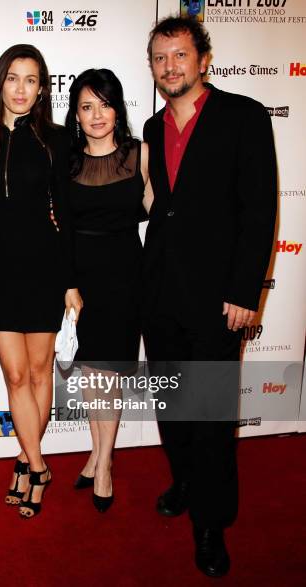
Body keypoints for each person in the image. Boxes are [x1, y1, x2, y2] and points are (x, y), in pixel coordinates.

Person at [142, 16, 277, 577]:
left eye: (179, 55)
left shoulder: (242, 116)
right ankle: (184, 480)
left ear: (203, 60)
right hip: (160, 289)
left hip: (219, 297)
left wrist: (246, 291)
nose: (170, 66)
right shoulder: (151, 127)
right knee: (172, 402)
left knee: (212, 412)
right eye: (160, 58)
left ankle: (211, 523)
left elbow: (260, 207)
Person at [0, 44, 82, 518]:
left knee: (39, 373)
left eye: (31, 79)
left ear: (41, 89)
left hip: (44, 270)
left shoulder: (57, 141)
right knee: (14, 375)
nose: (20, 88)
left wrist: (71, 281)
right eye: (12, 78)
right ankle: (38, 462)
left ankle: (27, 461)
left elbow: (70, 217)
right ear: (0, 84)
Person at [64, 69, 153, 512]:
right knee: (89, 374)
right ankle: (99, 454)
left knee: (111, 374)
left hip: (125, 275)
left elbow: (164, 216)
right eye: (86, 106)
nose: (97, 115)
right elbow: (59, 229)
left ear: (118, 108)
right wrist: (68, 284)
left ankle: (103, 465)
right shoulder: (69, 163)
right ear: (76, 115)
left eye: (104, 104)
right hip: (83, 280)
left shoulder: (141, 155)